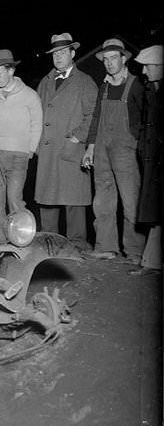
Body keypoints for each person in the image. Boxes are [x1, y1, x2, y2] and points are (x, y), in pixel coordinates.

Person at [81, 38, 147, 261]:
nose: (109, 63)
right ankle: (106, 247)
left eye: (113, 58)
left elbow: (145, 120)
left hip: (125, 150)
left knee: (131, 201)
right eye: (105, 59)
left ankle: (136, 251)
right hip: (101, 149)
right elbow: (96, 117)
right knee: (103, 201)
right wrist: (90, 147)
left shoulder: (136, 85)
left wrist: (136, 143)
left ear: (123, 59)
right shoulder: (105, 86)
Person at [34, 33, 97, 250]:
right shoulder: (45, 81)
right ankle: (49, 243)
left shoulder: (85, 82)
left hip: (71, 147)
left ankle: (77, 245)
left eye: (63, 52)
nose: (58, 57)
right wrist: (36, 144)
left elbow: (92, 114)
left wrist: (78, 136)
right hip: (48, 148)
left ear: (72, 53)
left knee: (74, 200)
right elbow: (35, 113)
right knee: (48, 199)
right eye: (55, 53)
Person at [0, 49, 43, 228]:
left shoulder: (30, 95)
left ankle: (21, 238)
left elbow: (36, 124)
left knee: (14, 200)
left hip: (18, 155)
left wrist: (29, 150)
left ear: (11, 71)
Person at [132, 44, 162, 275]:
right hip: (153, 161)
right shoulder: (152, 91)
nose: (144, 72)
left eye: (148, 67)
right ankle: (151, 263)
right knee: (155, 213)